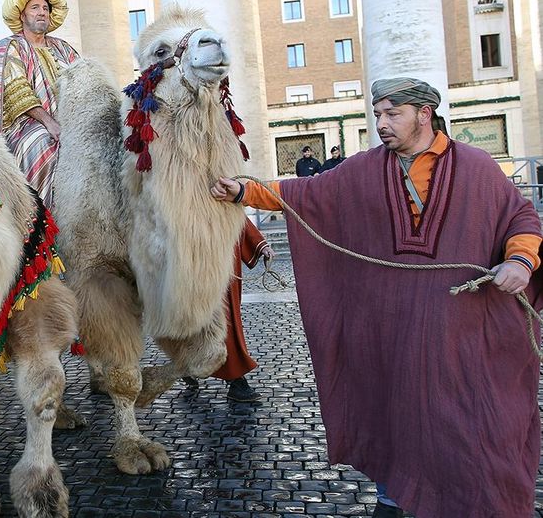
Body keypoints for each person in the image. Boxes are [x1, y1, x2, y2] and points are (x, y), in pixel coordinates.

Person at [210, 77, 541, 518]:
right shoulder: (364, 170)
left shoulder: (477, 167)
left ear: (424, 114)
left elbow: (521, 216)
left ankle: (475, 500)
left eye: (392, 113)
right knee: (395, 415)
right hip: (391, 335)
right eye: (378, 113)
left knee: (471, 420)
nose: (381, 123)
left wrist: (520, 260)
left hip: (463, 337)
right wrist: (241, 190)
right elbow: (302, 193)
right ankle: (391, 498)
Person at [0, 0, 80, 208]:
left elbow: (83, 82)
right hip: (26, 124)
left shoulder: (64, 48)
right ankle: (40, 218)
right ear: (22, 15)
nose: (42, 13)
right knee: (42, 144)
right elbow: (18, 92)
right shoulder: (11, 47)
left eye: (45, 9)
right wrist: (50, 123)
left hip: (70, 121)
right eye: (35, 8)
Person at [183, 218, 272, 402]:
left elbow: (236, 212)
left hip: (226, 267)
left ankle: (190, 366)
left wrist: (260, 245)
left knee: (226, 319)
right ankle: (235, 380)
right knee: (209, 321)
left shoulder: (221, 190)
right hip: (200, 266)